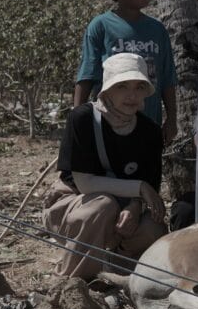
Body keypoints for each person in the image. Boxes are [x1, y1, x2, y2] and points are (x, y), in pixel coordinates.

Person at [45, 53, 167, 279]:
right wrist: (138, 188)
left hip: (123, 209)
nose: (132, 96)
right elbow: (84, 183)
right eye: (122, 86)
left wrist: (134, 206)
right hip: (76, 207)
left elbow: (150, 186)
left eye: (139, 87)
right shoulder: (83, 119)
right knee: (103, 205)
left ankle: (114, 272)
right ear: (107, 90)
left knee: (154, 228)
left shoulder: (149, 132)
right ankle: (75, 281)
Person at [75, 0, 178, 144]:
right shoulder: (101, 26)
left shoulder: (157, 30)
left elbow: (167, 78)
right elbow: (87, 74)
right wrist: (77, 119)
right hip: (108, 123)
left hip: (149, 124)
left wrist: (171, 120)